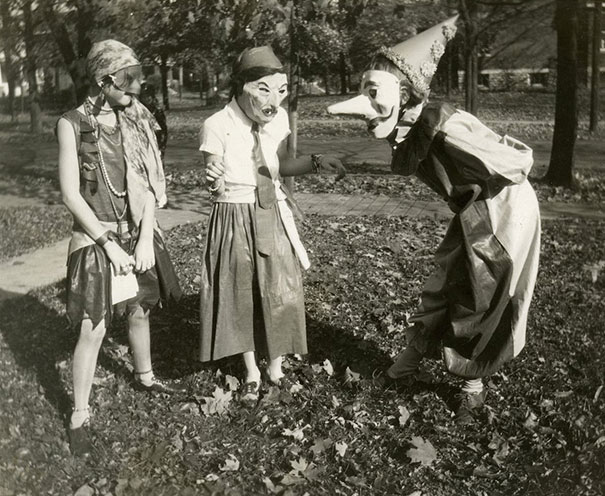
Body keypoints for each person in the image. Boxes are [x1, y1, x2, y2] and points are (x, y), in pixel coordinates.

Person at [328, 16, 541, 424]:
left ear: (405, 93)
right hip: (473, 209)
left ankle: (471, 388)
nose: (366, 108)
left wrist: (485, 193)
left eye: (375, 93)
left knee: (481, 295)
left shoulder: (444, 126)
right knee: (443, 281)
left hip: (503, 209)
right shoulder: (411, 128)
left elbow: (516, 163)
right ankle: (406, 364)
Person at [57, 39, 182, 456]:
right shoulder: (71, 124)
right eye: (128, 79)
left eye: (138, 77)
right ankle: (79, 413)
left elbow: (148, 185)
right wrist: (108, 243)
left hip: (136, 233)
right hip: (96, 237)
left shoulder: (138, 119)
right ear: (103, 79)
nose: (137, 87)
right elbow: (71, 196)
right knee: (93, 327)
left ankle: (144, 376)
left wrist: (146, 236)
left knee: (140, 309)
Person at [199, 46, 345, 402]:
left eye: (280, 90)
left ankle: (275, 365)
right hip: (234, 213)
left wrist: (315, 162)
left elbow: (279, 166)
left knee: (281, 286)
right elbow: (214, 183)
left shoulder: (278, 120)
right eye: (263, 89)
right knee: (240, 291)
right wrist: (213, 176)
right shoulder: (216, 125)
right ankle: (250, 369)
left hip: (271, 211)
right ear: (241, 86)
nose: (273, 100)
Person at [139, 82, 168, 158]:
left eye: (149, 96)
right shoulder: (138, 110)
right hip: (142, 143)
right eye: (144, 97)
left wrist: (162, 147)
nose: (147, 99)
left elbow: (163, 130)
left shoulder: (157, 111)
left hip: (155, 142)